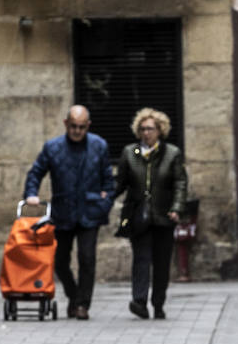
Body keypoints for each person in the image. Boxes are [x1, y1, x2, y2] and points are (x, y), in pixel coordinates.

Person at [24, 105, 114, 320]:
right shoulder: (52, 147)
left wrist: (105, 203)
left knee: (87, 258)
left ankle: (83, 304)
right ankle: (73, 295)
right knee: (60, 261)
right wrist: (31, 193)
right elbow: (36, 172)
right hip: (63, 212)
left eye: (82, 127)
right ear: (66, 124)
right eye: (73, 126)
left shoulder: (99, 146)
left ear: (88, 126)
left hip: (89, 212)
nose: (77, 131)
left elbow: (108, 181)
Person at [112, 108, 188, 320]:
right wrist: (105, 194)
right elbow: (121, 183)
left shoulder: (171, 154)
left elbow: (180, 183)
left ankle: (159, 303)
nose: (147, 133)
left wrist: (177, 208)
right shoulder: (130, 153)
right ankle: (139, 301)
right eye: (143, 129)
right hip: (139, 215)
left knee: (162, 262)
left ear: (160, 130)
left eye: (151, 129)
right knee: (141, 259)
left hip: (163, 215)